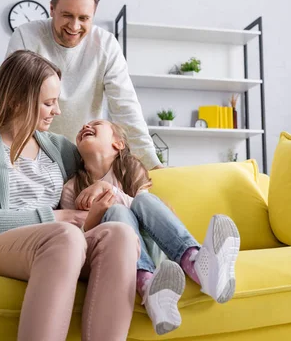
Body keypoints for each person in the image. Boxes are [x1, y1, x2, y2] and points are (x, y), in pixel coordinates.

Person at [0, 50, 140, 341]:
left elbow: (107, 167)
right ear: (17, 100)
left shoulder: (60, 148)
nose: (57, 111)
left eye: (57, 101)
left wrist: (110, 188)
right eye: (48, 103)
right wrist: (57, 217)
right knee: (65, 236)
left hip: (57, 247)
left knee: (119, 234)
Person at [59, 119, 241, 336]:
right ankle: (149, 287)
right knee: (117, 213)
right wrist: (97, 213)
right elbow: (76, 238)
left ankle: (197, 263)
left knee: (143, 202)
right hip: (116, 259)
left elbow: (147, 210)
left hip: (155, 251)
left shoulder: (130, 168)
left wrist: (106, 188)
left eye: (96, 123)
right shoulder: (72, 188)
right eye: (82, 127)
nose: (85, 126)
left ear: (118, 144)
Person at [5, 0, 162, 171]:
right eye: (67, 15)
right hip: (32, 152)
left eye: (84, 18)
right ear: (52, 9)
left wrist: (151, 163)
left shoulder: (106, 45)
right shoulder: (26, 36)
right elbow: (13, 101)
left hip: (84, 155)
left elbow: (126, 107)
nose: (74, 26)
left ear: (93, 16)